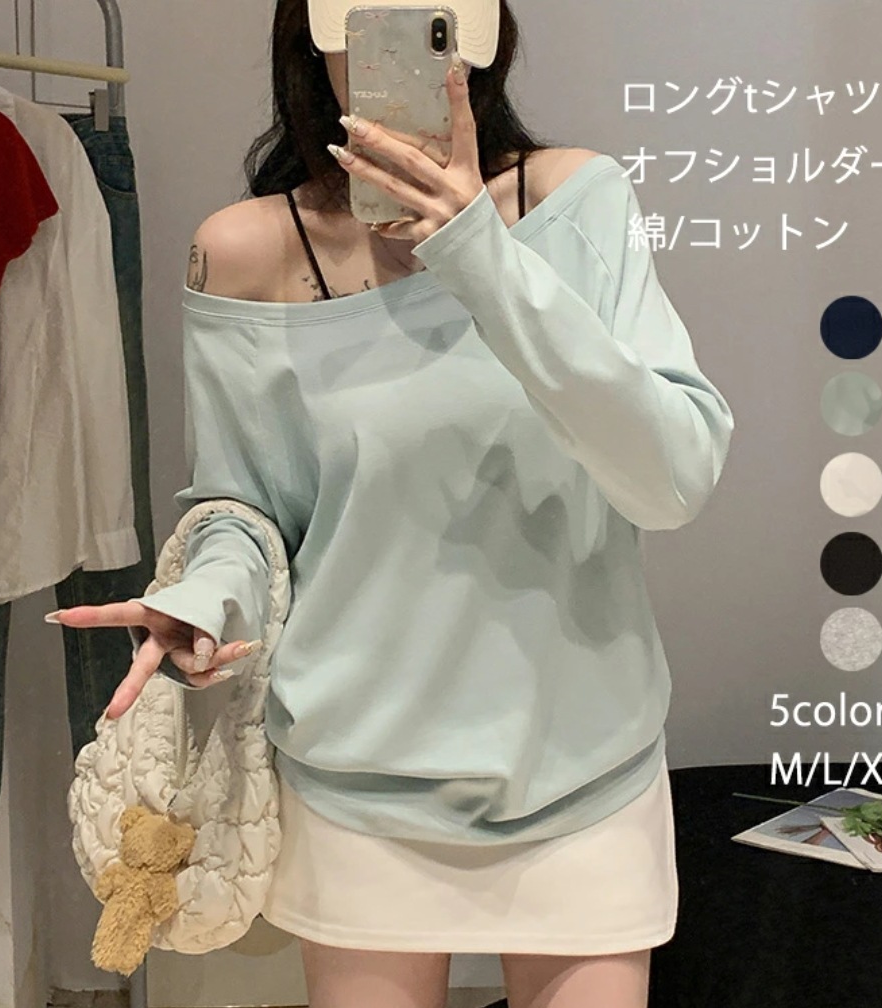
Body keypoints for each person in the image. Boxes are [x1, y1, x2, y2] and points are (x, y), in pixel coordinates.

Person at [48, 1, 735, 1005]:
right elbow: (244, 502)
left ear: (482, 32)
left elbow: (672, 476)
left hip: (585, 771)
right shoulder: (247, 250)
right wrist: (207, 597)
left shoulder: (581, 201)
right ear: (314, 35)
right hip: (359, 777)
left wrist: (476, 251)